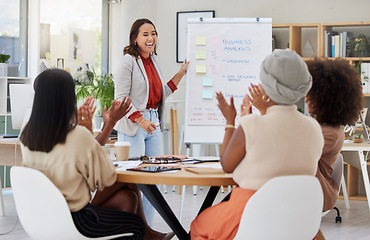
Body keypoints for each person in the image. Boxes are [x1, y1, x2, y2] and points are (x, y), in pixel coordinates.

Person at [19, 69, 172, 240]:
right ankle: (149, 234)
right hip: (76, 219)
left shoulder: (26, 136)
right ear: (68, 98)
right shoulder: (76, 135)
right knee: (133, 217)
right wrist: (88, 131)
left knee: (127, 199)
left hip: (41, 218)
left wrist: (95, 130)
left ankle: (150, 235)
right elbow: (104, 179)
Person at [190, 49, 325, 240]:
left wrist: (230, 121)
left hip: (250, 212)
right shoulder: (313, 127)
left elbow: (227, 165)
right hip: (295, 218)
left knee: (198, 227)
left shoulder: (252, 124)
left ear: (267, 86)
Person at [113, 18, 188, 222]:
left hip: (153, 121)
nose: (150, 38)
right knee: (136, 180)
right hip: (133, 125)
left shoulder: (154, 60)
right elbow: (120, 99)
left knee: (153, 179)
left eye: (153, 33)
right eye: (145, 34)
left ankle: (147, 229)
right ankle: (132, 227)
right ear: (135, 38)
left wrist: (180, 74)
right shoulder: (127, 61)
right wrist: (141, 121)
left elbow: (158, 93)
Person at [305, 58, 363, 211]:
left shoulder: (330, 133)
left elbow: (298, 155)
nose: (305, 99)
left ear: (325, 98)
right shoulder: (320, 125)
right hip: (307, 186)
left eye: (310, 95)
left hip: (318, 192)